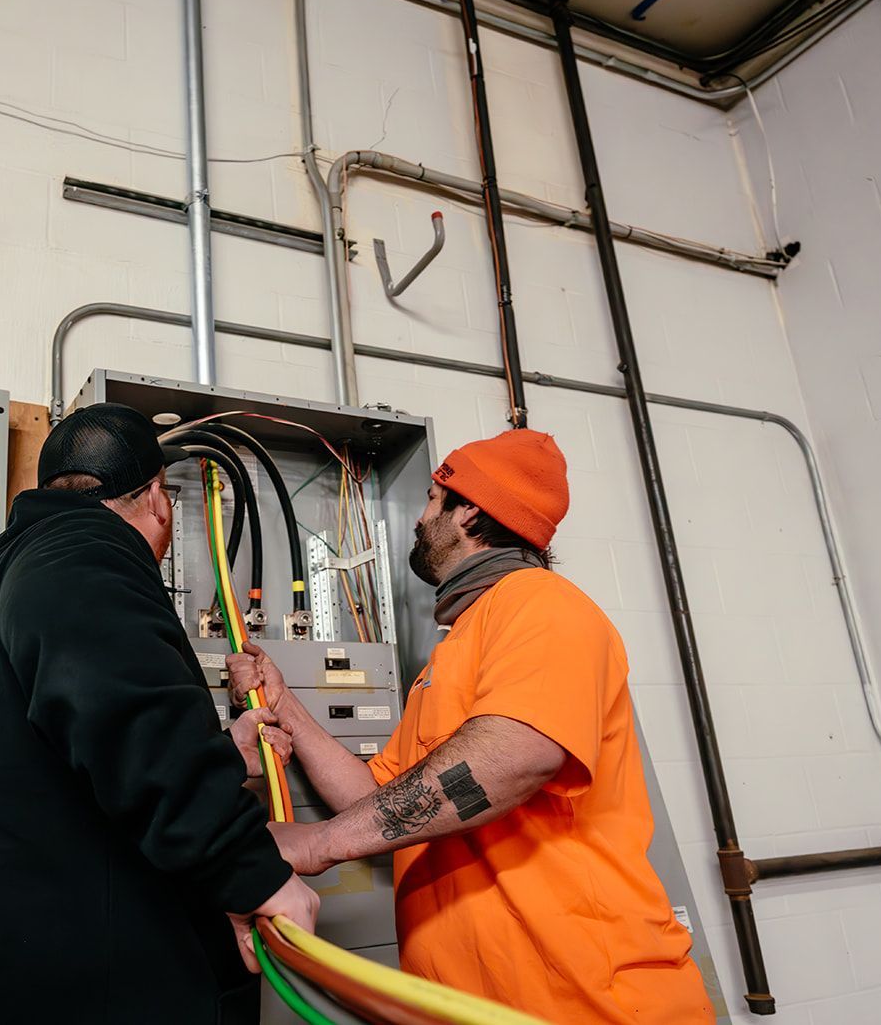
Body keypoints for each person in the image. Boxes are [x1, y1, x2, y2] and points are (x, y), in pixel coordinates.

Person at [0, 402, 319, 1024]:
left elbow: (77, 739)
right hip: (28, 987)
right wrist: (251, 875)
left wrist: (217, 753)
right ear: (158, 499)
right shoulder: (85, 552)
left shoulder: (28, 570)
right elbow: (129, 719)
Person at [228, 429, 713, 1024]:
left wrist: (320, 842)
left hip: (583, 1001)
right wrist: (288, 707)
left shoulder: (544, 605)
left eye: (433, 500)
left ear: (471, 511)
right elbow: (377, 799)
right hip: (470, 1003)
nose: (419, 518)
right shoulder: (454, 654)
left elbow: (511, 756)